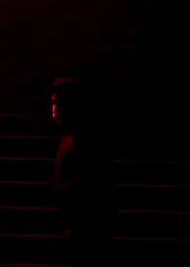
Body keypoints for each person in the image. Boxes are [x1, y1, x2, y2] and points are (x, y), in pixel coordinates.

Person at [52, 78, 113, 265]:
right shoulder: (73, 140)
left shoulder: (80, 143)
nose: (53, 109)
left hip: (81, 229)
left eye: (56, 103)